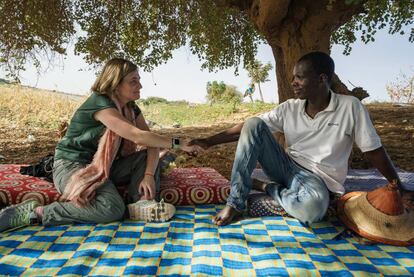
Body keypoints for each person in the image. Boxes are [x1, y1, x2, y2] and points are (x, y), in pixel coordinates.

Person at [190, 51, 409, 226]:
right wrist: (208, 141)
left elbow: (373, 150)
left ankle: (266, 187)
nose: (293, 82)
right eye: (293, 77)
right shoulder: (290, 108)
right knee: (253, 123)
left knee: (313, 209)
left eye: (300, 77)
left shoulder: (350, 107)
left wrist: (397, 185)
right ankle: (236, 203)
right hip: (285, 167)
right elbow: (247, 128)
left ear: (322, 79)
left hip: (318, 180)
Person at [0, 58, 202, 232]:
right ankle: (36, 213)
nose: (140, 86)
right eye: (133, 81)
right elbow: (137, 136)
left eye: (139, 80)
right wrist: (179, 143)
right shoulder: (100, 103)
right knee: (112, 209)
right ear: (115, 84)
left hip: (105, 167)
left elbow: (150, 141)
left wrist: (148, 175)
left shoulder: (131, 108)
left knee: (151, 157)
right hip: (72, 165)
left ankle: (141, 203)